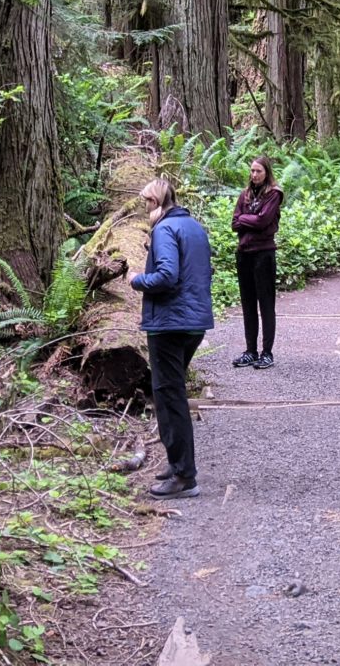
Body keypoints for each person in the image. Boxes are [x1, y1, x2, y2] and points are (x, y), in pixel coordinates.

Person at [128, 175, 213, 499]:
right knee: (169, 393)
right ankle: (177, 463)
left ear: (158, 202)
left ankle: (183, 475)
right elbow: (205, 271)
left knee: (169, 395)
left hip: (169, 325)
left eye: (147, 202)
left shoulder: (164, 229)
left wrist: (137, 279)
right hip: (192, 324)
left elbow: (166, 275)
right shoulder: (193, 226)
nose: (145, 208)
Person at [230, 155, 283, 369]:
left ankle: (267, 352)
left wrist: (247, 219)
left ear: (266, 172)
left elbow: (263, 221)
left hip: (264, 253)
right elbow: (234, 222)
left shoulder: (274, 194)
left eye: (258, 171)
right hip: (244, 253)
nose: (254, 175)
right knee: (248, 303)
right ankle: (250, 350)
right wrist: (248, 219)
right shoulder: (245, 195)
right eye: (252, 171)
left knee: (266, 304)